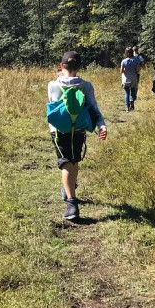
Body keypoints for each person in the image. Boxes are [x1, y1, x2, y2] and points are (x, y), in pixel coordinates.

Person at [47, 51, 107, 221]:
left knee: (65, 162)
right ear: (79, 67)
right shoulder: (86, 86)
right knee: (74, 161)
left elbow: (52, 102)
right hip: (80, 128)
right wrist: (101, 125)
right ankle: (69, 188)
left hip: (59, 130)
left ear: (61, 66)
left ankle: (72, 205)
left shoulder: (53, 85)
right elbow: (94, 108)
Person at [120, 46, 140, 111]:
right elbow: (138, 70)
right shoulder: (136, 60)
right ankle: (132, 105)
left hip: (126, 79)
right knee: (132, 92)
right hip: (133, 79)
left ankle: (127, 107)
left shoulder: (124, 61)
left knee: (127, 93)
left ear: (126, 53)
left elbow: (121, 71)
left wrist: (125, 70)